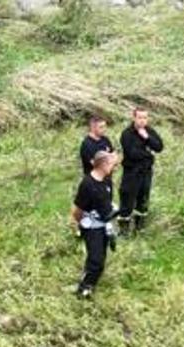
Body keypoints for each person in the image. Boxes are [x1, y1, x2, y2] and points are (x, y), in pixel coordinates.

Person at [71, 151, 121, 299]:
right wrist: (77, 224)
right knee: (96, 260)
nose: (114, 168)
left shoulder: (107, 180)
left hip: (104, 224)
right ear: (103, 164)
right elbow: (78, 209)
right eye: (112, 165)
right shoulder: (87, 184)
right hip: (91, 227)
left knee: (101, 258)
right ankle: (84, 289)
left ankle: (90, 283)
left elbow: (107, 201)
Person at [116, 107, 164, 235]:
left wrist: (147, 138)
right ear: (134, 118)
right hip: (131, 172)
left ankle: (139, 228)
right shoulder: (127, 134)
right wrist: (149, 154)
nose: (142, 120)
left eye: (145, 118)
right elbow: (132, 154)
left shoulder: (149, 131)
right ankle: (123, 231)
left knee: (143, 200)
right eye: (140, 117)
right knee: (127, 200)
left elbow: (159, 147)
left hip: (146, 172)